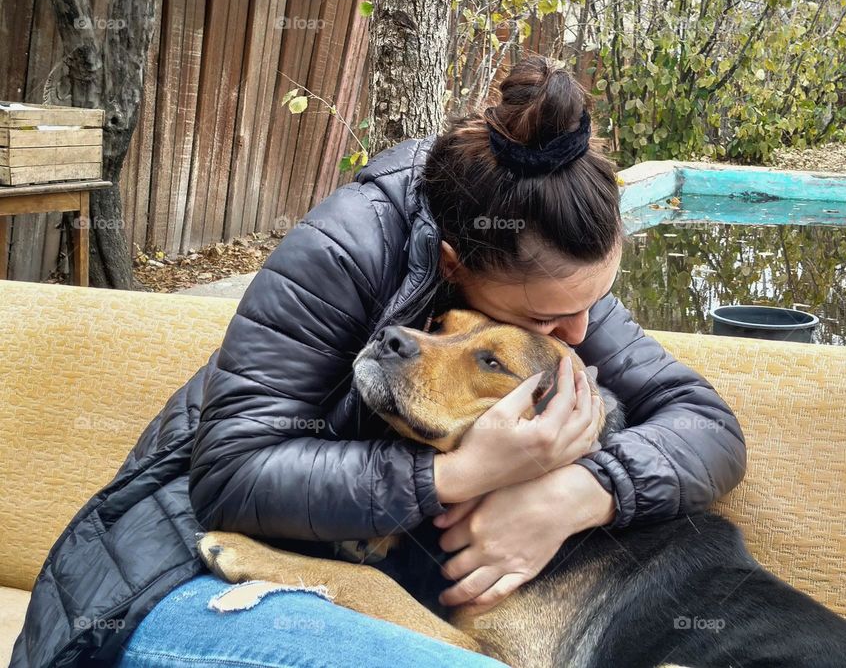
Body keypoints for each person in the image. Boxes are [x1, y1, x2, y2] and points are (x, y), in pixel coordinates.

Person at [11, 56, 746, 668]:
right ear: (457, 268)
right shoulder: (349, 246)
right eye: (550, 320)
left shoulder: (550, 284)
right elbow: (232, 474)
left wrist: (579, 493)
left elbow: (707, 425)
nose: (580, 332)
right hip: (167, 567)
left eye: (595, 303)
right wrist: (453, 475)